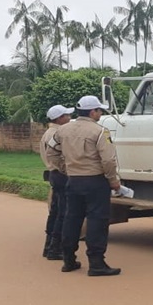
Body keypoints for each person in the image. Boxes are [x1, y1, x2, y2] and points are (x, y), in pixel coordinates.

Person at [46, 95, 123, 276]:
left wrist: (65, 168)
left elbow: (51, 152)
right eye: (99, 110)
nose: (100, 114)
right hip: (95, 181)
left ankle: (68, 259)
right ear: (92, 111)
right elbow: (108, 160)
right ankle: (96, 263)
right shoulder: (100, 132)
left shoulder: (63, 130)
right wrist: (113, 179)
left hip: (73, 180)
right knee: (97, 220)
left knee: (72, 218)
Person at [39, 104, 74, 260]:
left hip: (53, 173)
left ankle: (49, 246)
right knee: (63, 213)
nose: (69, 117)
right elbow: (61, 157)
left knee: (55, 212)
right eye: (67, 115)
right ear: (60, 118)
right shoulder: (58, 134)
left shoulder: (48, 133)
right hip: (61, 174)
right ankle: (55, 248)